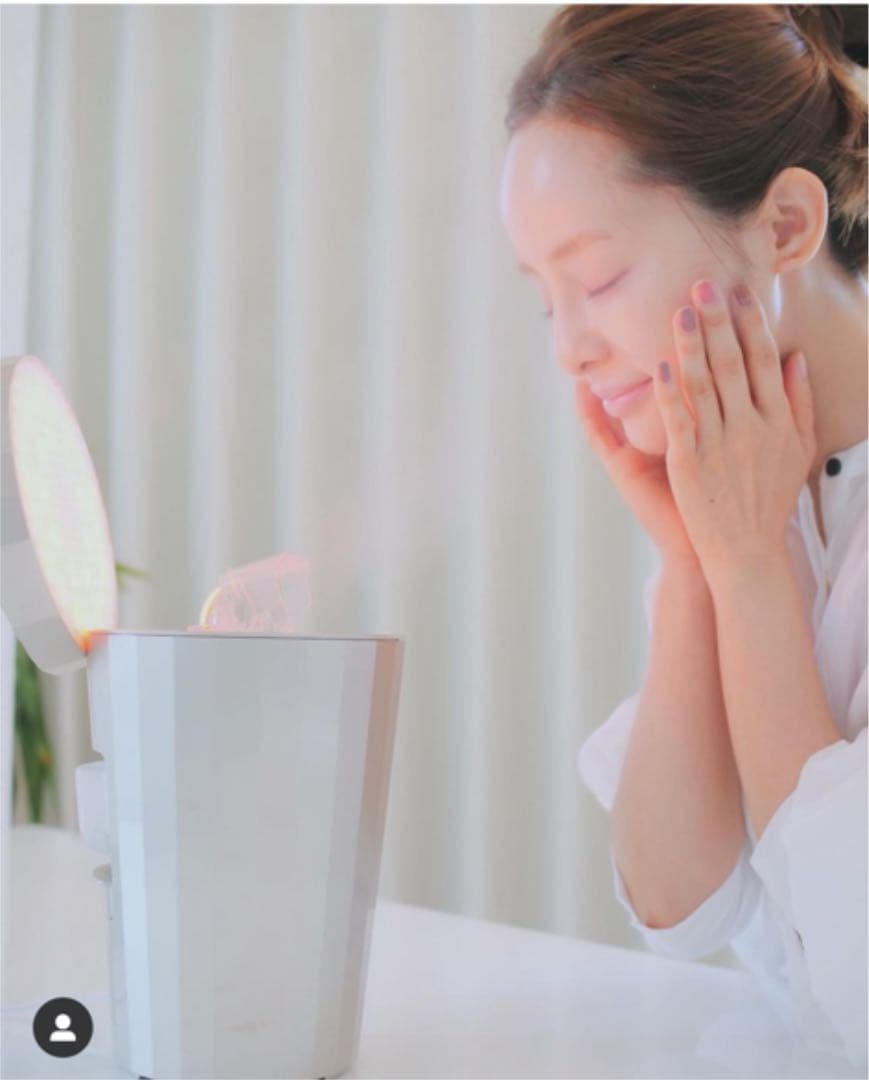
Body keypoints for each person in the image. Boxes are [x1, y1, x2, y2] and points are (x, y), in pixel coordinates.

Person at [499, 4, 867, 1072]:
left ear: (785, 226)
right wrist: (694, 569)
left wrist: (746, 569)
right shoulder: (734, 490)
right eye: (546, 302)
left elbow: (853, 970)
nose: (570, 349)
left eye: (598, 280)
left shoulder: (749, 515)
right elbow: (675, 902)